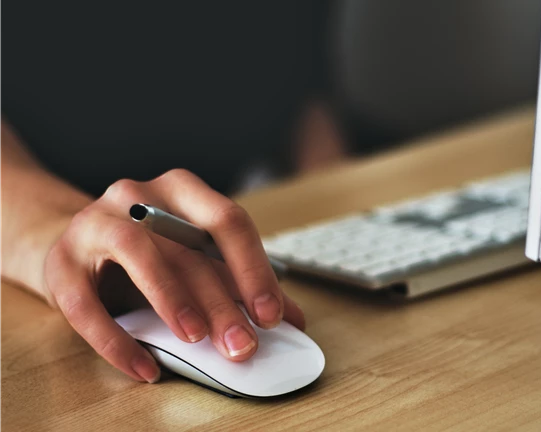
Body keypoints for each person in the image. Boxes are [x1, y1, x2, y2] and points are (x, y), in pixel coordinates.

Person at [0, 2, 339, 384]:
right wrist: (56, 233)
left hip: (234, 225)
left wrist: (335, 220)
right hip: (63, 209)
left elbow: (307, 92)